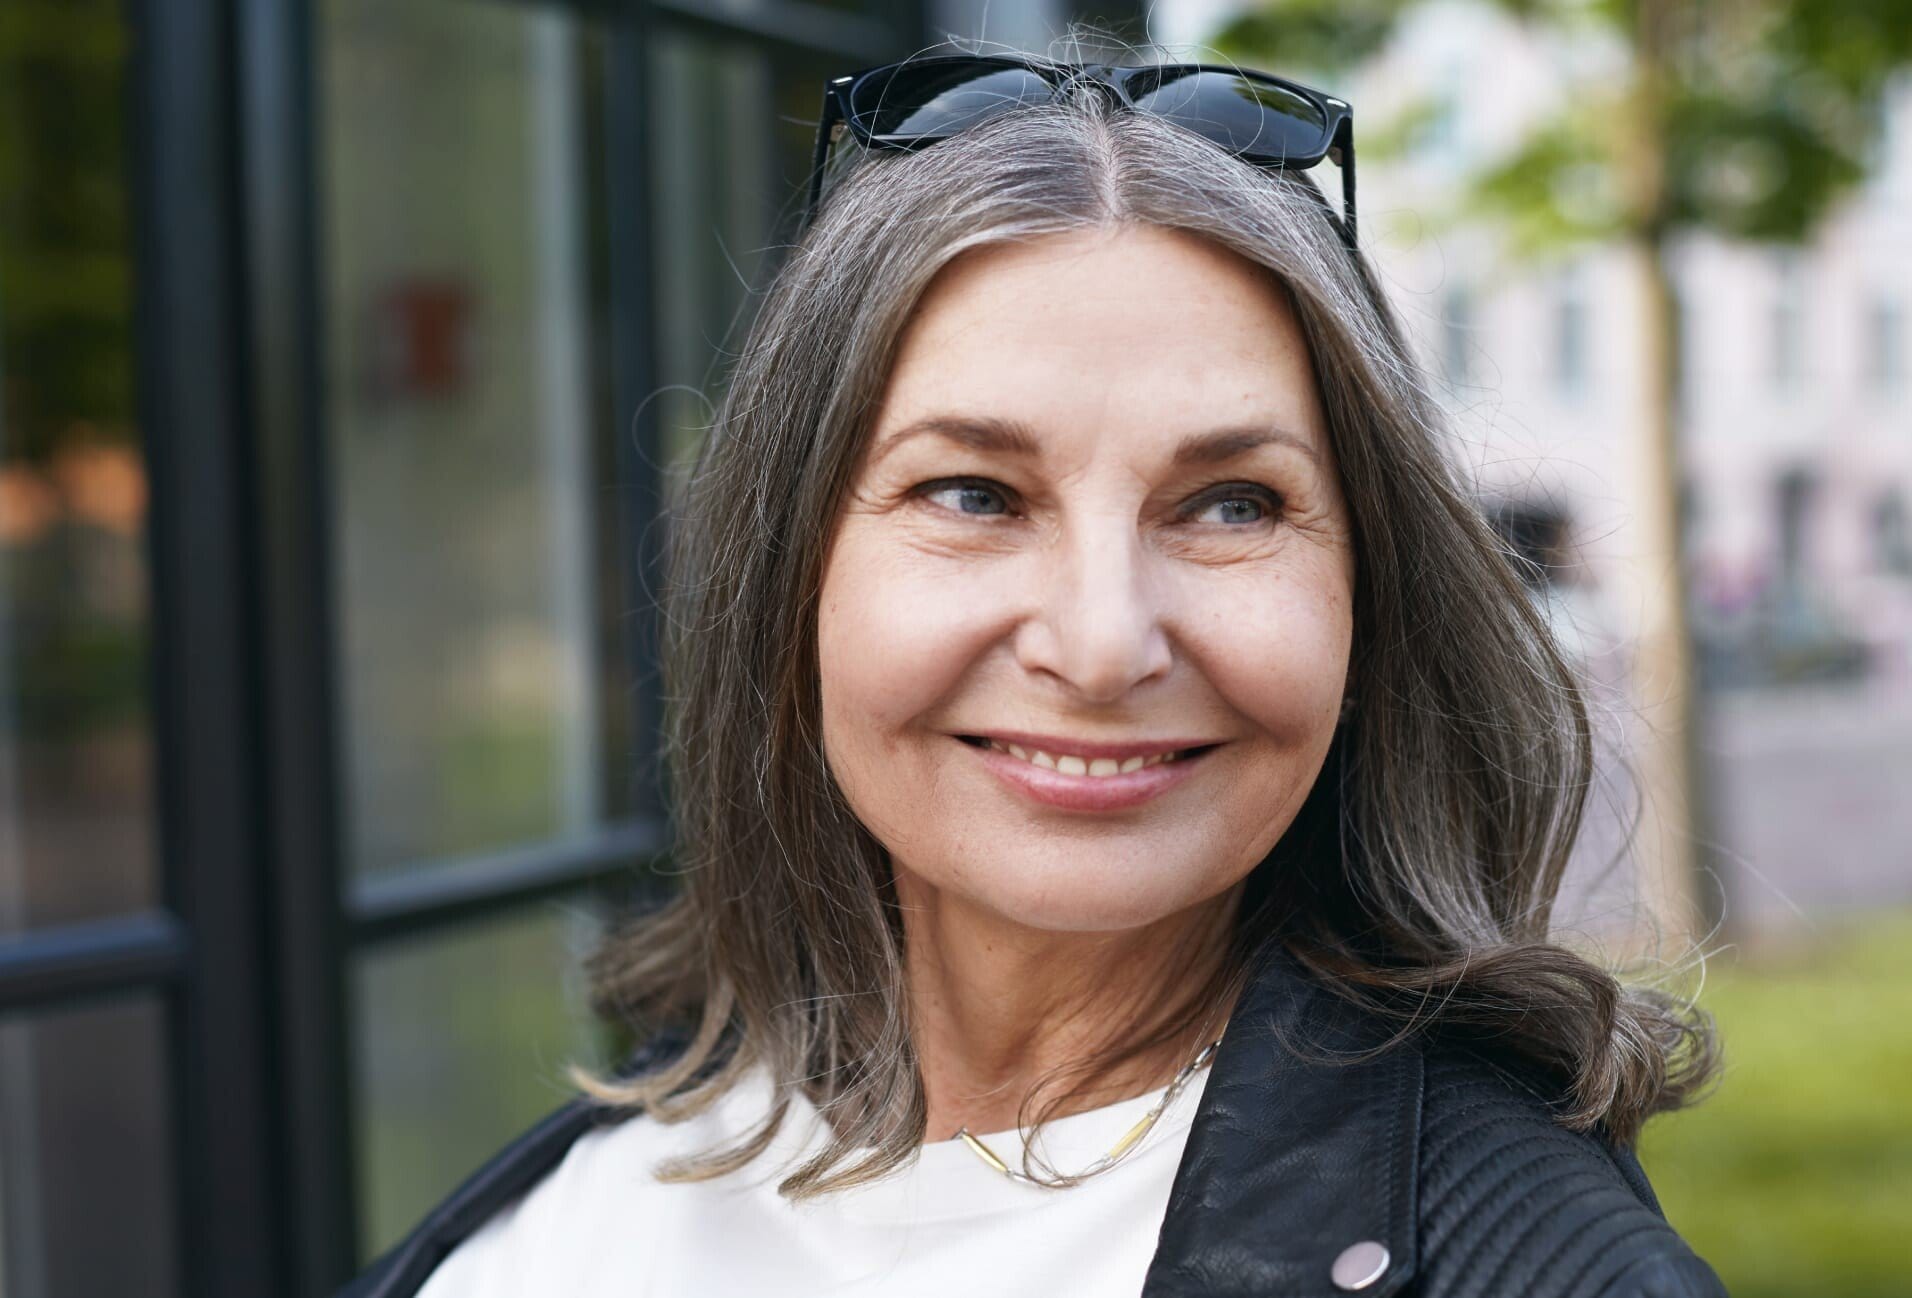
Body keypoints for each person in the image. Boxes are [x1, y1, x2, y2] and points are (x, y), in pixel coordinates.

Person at [339, 36, 1725, 1298]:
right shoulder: (594, 1194)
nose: (1103, 642)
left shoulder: (1530, 1265)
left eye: (1232, 503)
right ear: (793, 571)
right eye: (975, 494)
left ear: (1372, 595)